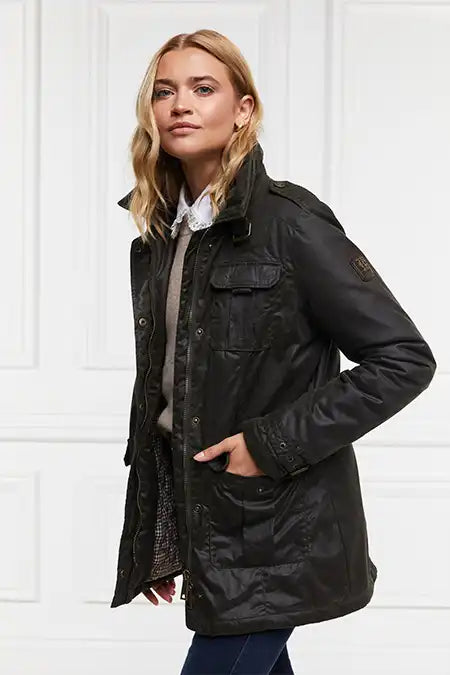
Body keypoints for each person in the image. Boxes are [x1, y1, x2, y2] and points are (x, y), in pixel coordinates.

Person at [110, 29, 437, 675]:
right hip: (212, 512)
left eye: (204, 88)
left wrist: (271, 443)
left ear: (243, 110)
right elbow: (171, 393)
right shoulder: (160, 237)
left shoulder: (290, 223)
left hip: (278, 522)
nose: (181, 104)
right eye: (165, 92)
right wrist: (161, 525)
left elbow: (403, 359)